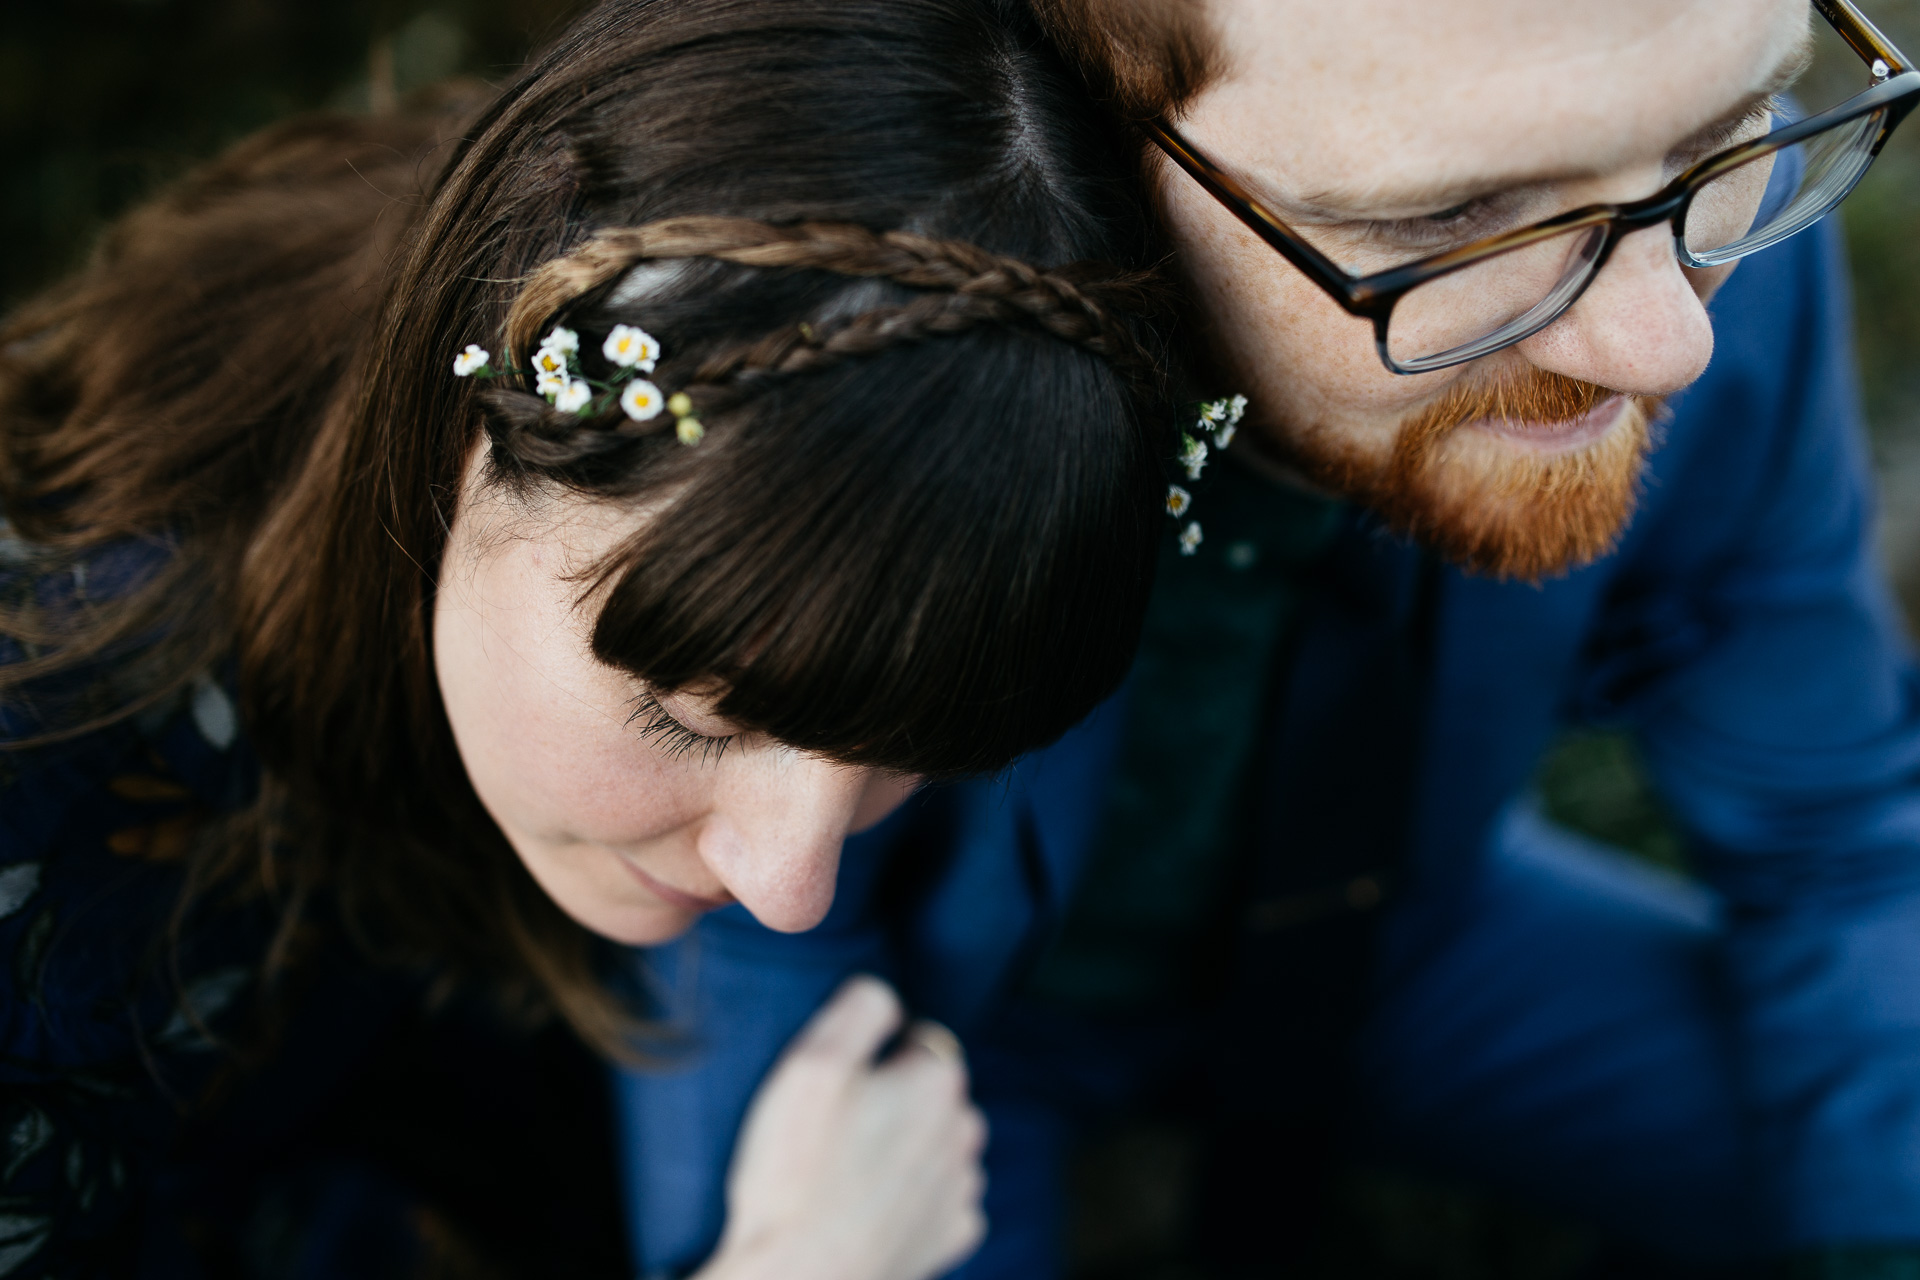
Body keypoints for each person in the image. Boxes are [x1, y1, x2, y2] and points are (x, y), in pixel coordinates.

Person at [610, 0, 1920, 1275]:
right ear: (1077, 128)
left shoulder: (1723, 264)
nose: (1665, 340)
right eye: (1446, 218)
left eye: (1727, 128)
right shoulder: (861, 317)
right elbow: (745, 868)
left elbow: (1835, 831)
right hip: (918, 1014)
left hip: (1425, 935)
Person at [0, 0, 1185, 1274]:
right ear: (467, 450)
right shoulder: (40, 810)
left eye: (912, 751)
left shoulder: (613, 297)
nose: (792, 888)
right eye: (698, 712)